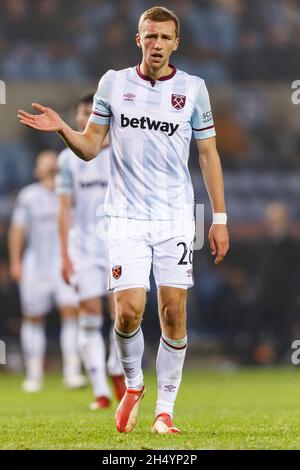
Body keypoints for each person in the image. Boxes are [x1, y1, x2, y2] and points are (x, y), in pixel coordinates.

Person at [18, 6, 229, 433]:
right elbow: (91, 147)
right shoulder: (114, 84)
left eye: (165, 38)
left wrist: (219, 217)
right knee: (129, 313)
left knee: (173, 312)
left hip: (173, 217)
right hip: (126, 216)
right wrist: (64, 129)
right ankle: (133, 385)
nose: (157, 44)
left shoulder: (193, 89)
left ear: (176, 43)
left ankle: (165, 411)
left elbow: (208, 154)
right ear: (139, 39)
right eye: (150, 37)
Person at [56, 94, 125, 409]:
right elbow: (64, 210)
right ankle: (100, 390)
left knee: (122, 316)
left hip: (117, 245)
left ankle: (115, 367)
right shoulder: (68, 160)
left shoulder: (121, 155)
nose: (86, 118)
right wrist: (65, 255)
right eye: (82, 112)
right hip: (83, 248)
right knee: (89, 317)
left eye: (91, 112)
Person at [8, 151, 85, 392]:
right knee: (33, 317)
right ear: (36, 170)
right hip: (36, 265)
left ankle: (72, 371)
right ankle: (33, 374)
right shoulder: (28, 196)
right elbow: (17, 230)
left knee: (71, 313)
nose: (50, 165)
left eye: (53, 162)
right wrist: (16, 261)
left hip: (64, 262)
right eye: (45, 162)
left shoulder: (70, 193)